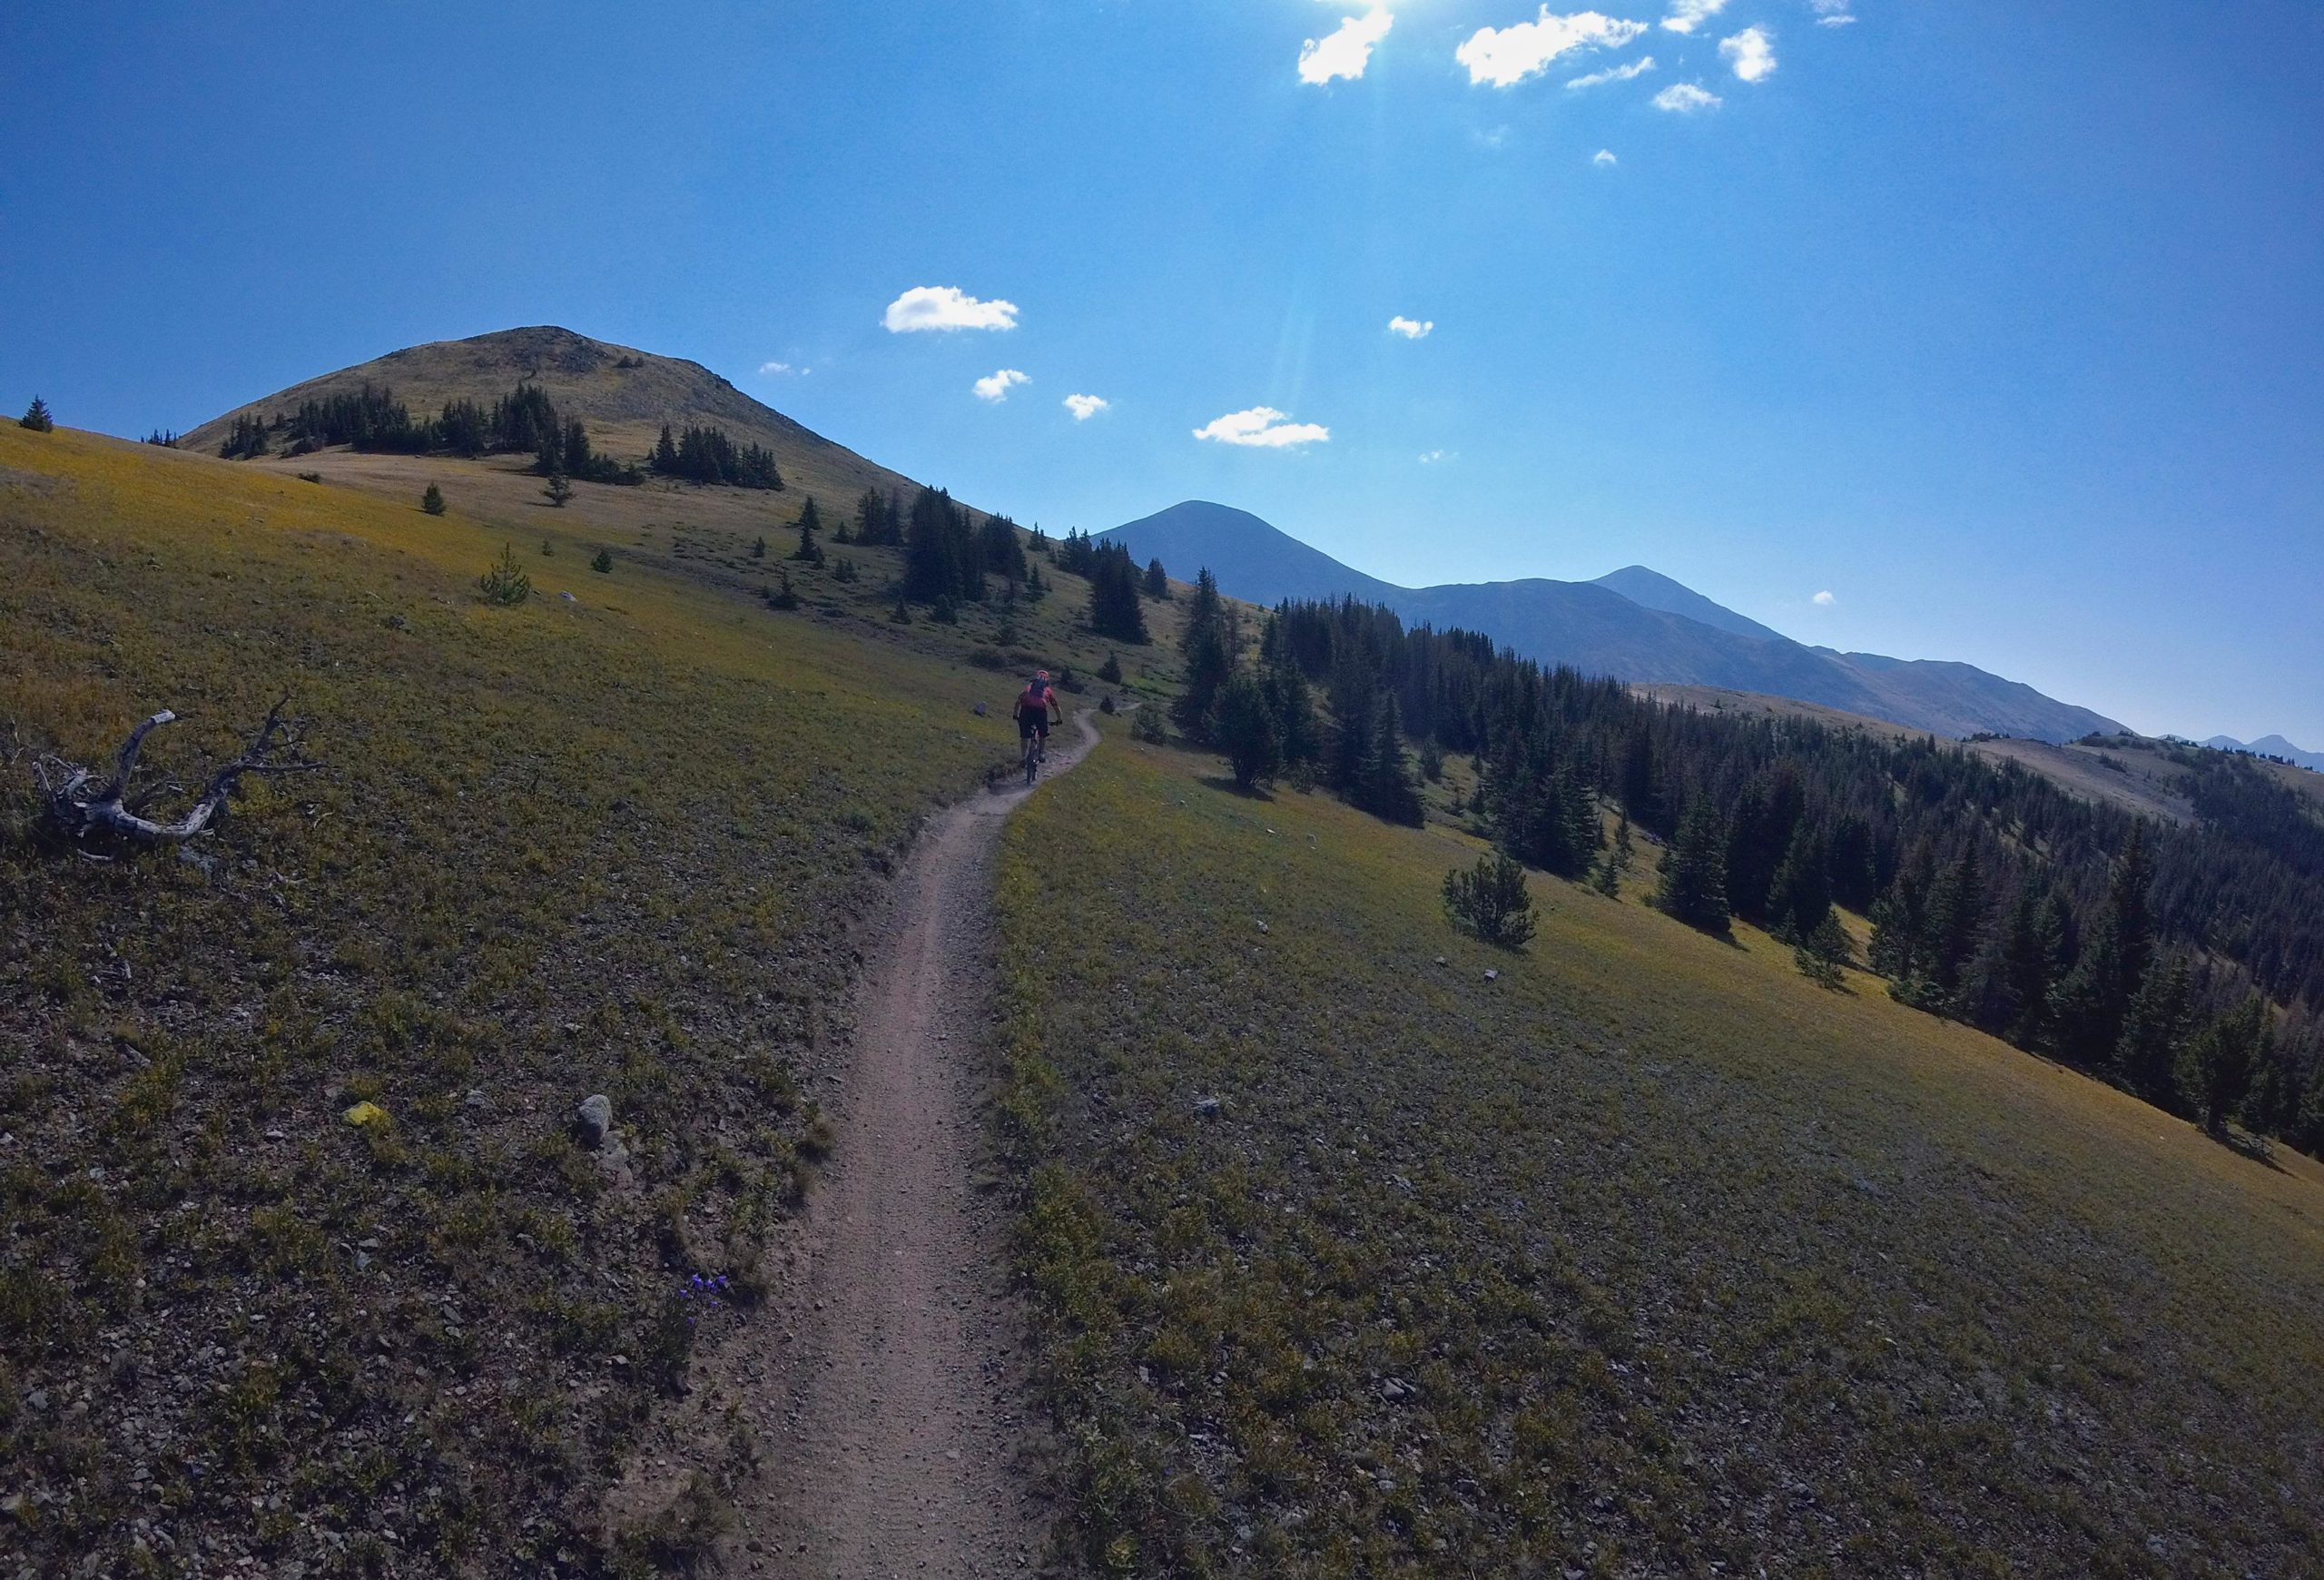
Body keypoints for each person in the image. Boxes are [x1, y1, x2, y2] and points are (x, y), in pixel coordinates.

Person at [1013, 669, 1061, 767]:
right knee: (1043, 733)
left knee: (1024, 736)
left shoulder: (1028, 688)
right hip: (1040, 713)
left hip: (1026, 711)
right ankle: (1041, 753)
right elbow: (1055, 706)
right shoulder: (1048, 690)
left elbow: (1018, 702)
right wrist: (1059, 719)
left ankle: (1023, 757)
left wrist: (1015, 714)